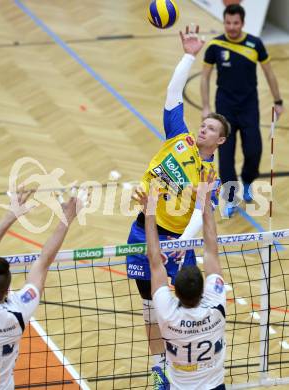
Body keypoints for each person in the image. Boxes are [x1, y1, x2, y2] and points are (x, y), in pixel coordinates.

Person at [126, 25, 229, 387]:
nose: (203, 129)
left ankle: (183, 363)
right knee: (151, 307)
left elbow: (203, 216)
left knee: (184, 308)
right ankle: (159, 368)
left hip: (179, 241)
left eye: (211, 128)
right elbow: (172, 95)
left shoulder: (210, 176)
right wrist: (189, 54)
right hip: (145, 228)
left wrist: (181, 244)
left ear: (220, 140)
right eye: (203, 124)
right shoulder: (179, 139)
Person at [0, 189, 83, 389]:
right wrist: (66, 218)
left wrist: (10, 215)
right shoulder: (18, 311)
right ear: (8, 290)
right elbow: (43, 262)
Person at [133, 169, 226, 390]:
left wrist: (150, 211)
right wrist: (205, 198)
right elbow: (211, 249)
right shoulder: (216, 308)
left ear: (175, 292)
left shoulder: (168, 313)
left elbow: (155, 262)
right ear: (204, 290)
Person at [201, 4, 284, 218]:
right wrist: (206, 107)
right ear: (224, 22)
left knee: (254, 149)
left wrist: (278, 100)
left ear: (243, 23)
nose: (231, 27)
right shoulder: (215, 45)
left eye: (235, 23)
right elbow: (204, 77)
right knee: (226, 156)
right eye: (228, 23)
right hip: (225, 108)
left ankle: (247, 181)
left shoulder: (255, 44)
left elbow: (269, 74)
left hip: (248, 107)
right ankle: (230, 197)